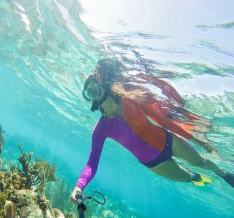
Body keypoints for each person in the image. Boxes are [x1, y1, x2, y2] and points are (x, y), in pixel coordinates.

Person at [70, 58, 234, 203]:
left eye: (94, 90)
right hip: (155, 163)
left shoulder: (130, 99)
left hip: (170, 141)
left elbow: (164, 121)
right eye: (88, 94)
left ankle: (223, 173)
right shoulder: (101, 128)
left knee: (202, 162)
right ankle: (194, 176)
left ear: (104, 87)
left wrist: (198, 140)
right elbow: (92, 164)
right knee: (188, 177)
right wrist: (79, 186)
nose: (93, 96)